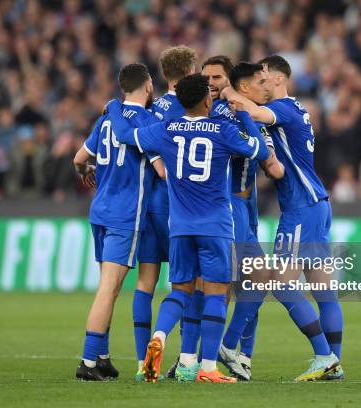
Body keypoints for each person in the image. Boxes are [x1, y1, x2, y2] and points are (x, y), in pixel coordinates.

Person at [106, 73, 269, 383]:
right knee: (216, 294)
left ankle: (159, 336)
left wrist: (114, 107)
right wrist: (247, 118)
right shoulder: (222, 130)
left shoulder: (167, 129)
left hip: (179, 226)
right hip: (216, 226)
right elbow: (260, 151)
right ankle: (207, 367)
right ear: (208, 100)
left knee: (180, 290)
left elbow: (127, 135)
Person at [222, 55, 342, 381]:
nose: (261, 84)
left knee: (279, 282)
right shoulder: (294, 111)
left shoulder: (284, 109)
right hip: (317, 203)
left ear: (277, 78)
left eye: (264, 78)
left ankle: (323, 355)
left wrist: (228, 92)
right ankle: (334, 363)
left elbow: (251, 110)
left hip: (301, 208)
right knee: (324, 291)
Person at [72, 63, 165, 381]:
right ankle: (87, 363)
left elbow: (79, 159)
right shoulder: (149, 123)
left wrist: (88, 173)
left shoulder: (106, 119)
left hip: (99, 212)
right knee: (109, 289)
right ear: (149, 85)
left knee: (107, 289)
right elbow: (162, 170)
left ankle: (102, 357)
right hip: (125, 217)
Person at [203, 59, 284, 381]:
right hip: (229, 206)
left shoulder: (238, 109)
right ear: (246, 86)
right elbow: (270, 164)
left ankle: (239, 356)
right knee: (257, 279)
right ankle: (224, 347)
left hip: (244, 207)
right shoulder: (231, 113)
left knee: (246, 284)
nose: (269, 88)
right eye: (262, 83)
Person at [135, 45, 197, 382]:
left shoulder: (152, 106)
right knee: (188, 282)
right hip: (178, 204)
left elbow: (141, 141)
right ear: (190, 72)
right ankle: (187, 361)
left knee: (145, 282)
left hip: (149, 205)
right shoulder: (189, 107)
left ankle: (139, 358)